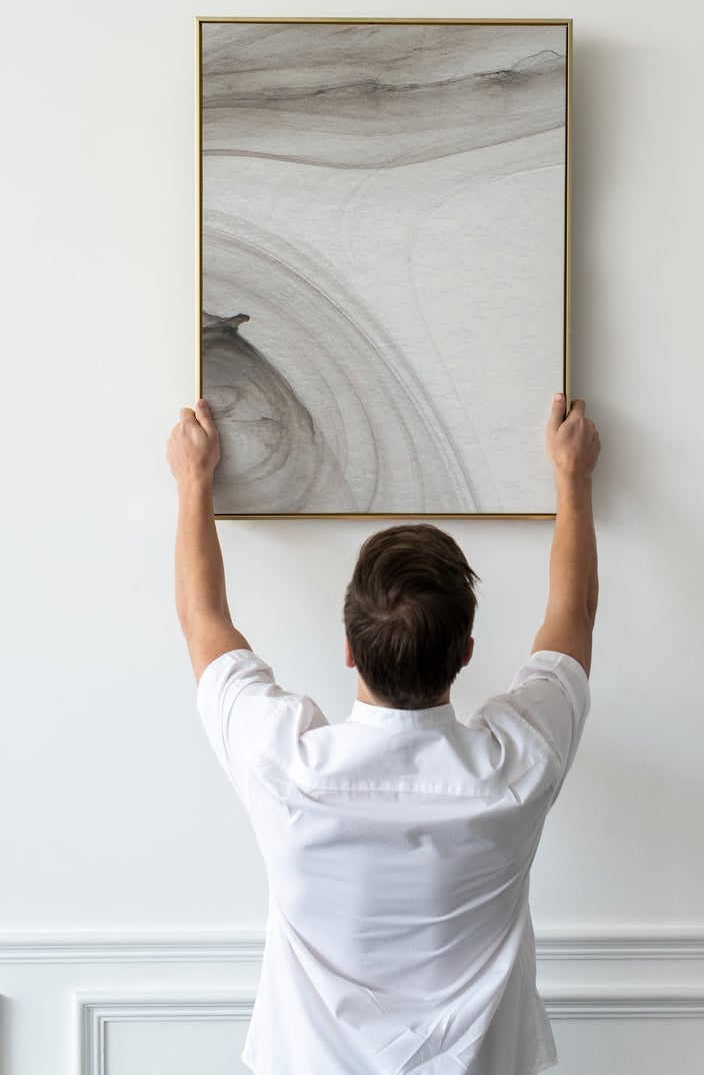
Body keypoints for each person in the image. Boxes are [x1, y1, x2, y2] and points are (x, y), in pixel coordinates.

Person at [166, 392, 600, 1075]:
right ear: (465, 653)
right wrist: (572, 475)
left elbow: (203, 620)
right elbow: (572, 618)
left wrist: (194, 479)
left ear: (348, 649)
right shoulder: (519, 766)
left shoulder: (282, 766)